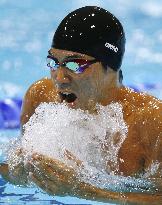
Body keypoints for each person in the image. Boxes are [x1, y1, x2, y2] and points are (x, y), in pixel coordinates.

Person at [0, 6, 162, 204]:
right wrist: (18, 174)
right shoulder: (40, 97)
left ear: (110, 67)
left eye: (74, 65)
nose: (59, 79)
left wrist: (82, 190)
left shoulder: (151, 124)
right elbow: (12, 169)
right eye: (53, 62)